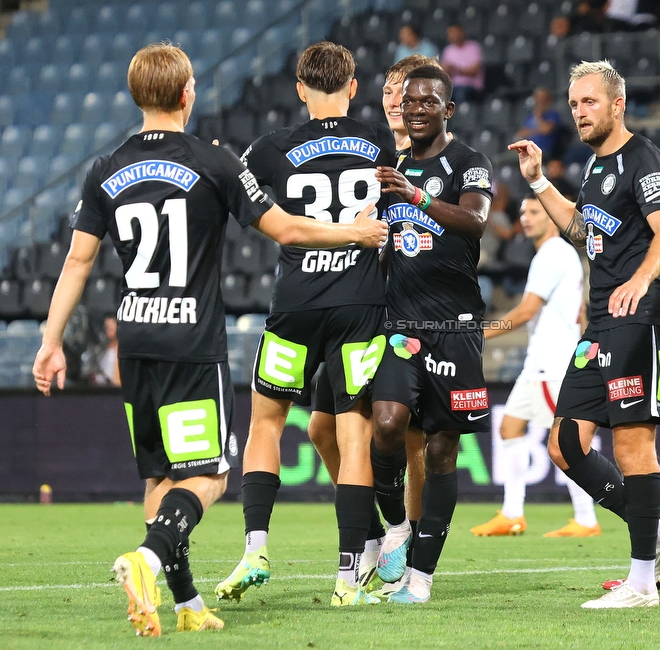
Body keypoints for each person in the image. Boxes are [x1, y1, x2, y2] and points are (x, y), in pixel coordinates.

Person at [31, 43, 386, 636]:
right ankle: (147, 559)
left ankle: (185, 602)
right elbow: (288, 229)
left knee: (158, 476)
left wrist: (51, 342)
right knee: (209, 477)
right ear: (187, 94)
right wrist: (352, 231)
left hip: (136, 343)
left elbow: (75, 263)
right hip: (191, 344)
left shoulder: (105, 169)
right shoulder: (212, 161)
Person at [213, 42, 396, 608]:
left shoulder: (272, 148)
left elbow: (233, 187)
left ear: (299, 89)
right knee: (352, 435)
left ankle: (255, 548)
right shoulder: (379, 140)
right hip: (359, 307)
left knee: (266, 424)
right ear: (353, 85)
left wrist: (220, 161)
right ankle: (348, 578)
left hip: (294, 305)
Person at [510, 60, 660, 609]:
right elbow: (583, 230)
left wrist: (639, 280)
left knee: (633, 444)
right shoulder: (593, 168)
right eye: (573, 104)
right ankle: (657, 536)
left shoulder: (643, 158)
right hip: (603, 323)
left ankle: (641, 583)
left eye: (589, 102)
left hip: (641, 317)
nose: (579, 112)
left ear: (617, 105)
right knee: (565, 443)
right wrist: (539, 181)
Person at [303, 54, 440, 598]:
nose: (392, 101)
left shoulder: (429, 163)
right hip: (356, 311)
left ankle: (401, 545)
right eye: (387, 92)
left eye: (403, 92)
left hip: (404, 315)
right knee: (320, 428)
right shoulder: (370, 159)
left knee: (407, 440)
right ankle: (370, 530)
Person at [369, 65, 494, 604]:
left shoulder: (470, 163)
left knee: (443, 449)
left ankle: (420, 580)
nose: (415, 109)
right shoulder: (391, 167)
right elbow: (379, 237)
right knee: (388, 423)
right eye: (409, 102)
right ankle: (396, 524)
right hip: (401, 328)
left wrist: (417, 198)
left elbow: (476, 222)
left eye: (428, 102)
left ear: (448, 110)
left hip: (456, 329)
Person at [470, 194, 601, 539]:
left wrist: (481, 334)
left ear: (552, 215)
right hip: (541, 362)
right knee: (510, 427)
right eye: (523, 211)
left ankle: (587, 517)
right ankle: (513, 514)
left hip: (553, 363)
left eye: (534, 211)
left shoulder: (552, 253)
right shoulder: (561, 255)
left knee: (567, 443)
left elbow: (526, 311)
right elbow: (580, 312)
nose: (525, 217)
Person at [515, 88, 563, 160]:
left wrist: (538, 116)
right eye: (538, 97)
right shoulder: (530, 116)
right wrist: (537, 130)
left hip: (543, 151)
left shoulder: (553, 114)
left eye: (543, 98)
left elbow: (546, 130)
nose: (540, 101)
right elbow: (520, 134)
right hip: (527, 151)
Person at [441, 25, 483, 104]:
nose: (452, 35)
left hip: (471, 86)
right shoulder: (448, 50)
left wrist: (456, 70)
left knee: (460, 93)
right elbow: (445, 72)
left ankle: (462, 115)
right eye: (450, 33)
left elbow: (474, 72)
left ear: (462, 32)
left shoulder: (474, 47)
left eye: (454, 32)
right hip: (453, 86)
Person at [93, 314, 121, 386]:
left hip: (114, 390)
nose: (108, 329)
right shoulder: (100, 348)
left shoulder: (121, 350)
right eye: (106, 327)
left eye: (111, 327)